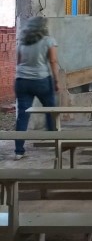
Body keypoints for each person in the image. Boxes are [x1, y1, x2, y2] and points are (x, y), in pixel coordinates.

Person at [13, 16, 59, 160]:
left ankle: (18, 151)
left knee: (22, 115)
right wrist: (56, 80)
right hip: (41, 80)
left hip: (21, 80)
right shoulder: (48, 41)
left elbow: (19, 62)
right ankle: (55, 139)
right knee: (51, 110)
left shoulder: (22, 42)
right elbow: (53, 61)